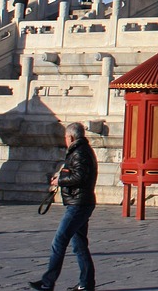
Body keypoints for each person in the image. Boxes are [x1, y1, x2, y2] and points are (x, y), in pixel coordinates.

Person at [30, 122, 97, 291]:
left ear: (71, 137)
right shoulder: (81, 151)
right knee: (79, 244)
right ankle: (86, 283)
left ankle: (48, 282)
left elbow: (80, 176)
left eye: (66, 137)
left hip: (78, 203)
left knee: (59, 241)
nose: (65, 140)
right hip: (80, 201)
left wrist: (60, 180)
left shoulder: (80, 152)